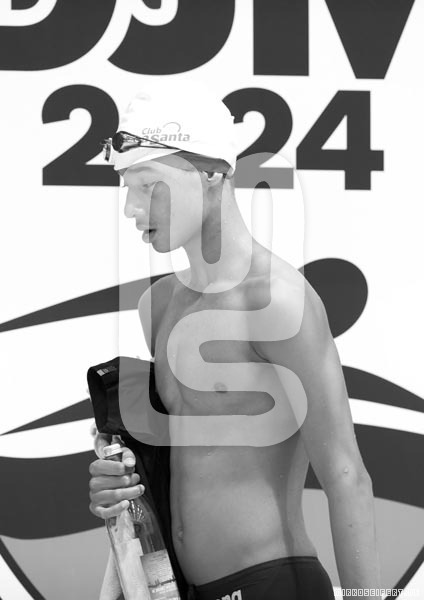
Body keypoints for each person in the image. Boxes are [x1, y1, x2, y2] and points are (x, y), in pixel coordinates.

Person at [88, 82, 381, 599]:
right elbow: (181, 467)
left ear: (212, 174)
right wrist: (122, 491)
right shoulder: (157, 306)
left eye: (149, 185)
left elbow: (345, 473)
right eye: (126, 188)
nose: (132, 209)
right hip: (178, 587)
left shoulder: (278, 301)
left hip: (273, 583)